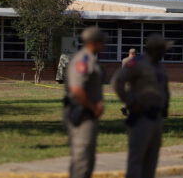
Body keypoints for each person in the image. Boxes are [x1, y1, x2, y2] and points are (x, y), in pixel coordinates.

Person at [111, 34, 171, 178]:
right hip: (141, 117)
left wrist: (165, 105)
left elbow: (164, 88)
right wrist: (130, 102)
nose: (164, 52)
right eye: (162, 49)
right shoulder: (137, 63)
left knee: (152, 160)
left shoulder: (159, 66)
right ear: (154, 49)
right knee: (137, 158)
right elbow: (117, 81)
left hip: (157, 117)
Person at [64, 26, 106, 178]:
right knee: (82, 158)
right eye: (101, 42)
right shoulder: (82, 60)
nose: (104, 45)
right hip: (82, 113)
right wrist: (94, 107)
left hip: (89, 114)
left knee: (88, 158)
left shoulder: (91, 58)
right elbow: (77, 90)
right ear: (94, 42)